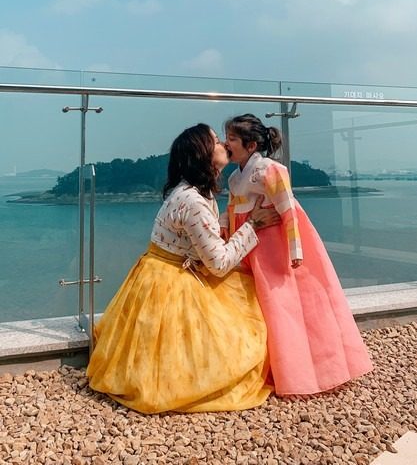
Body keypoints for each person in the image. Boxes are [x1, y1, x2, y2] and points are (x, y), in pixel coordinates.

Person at [87, 123, 278, 414]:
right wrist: (254, 224)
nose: (223, 144)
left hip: (160, 273)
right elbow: (219, 264)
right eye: (215, 141)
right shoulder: (193, 201)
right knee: (245, 329)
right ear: (203, 155)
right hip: (171, 281)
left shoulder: (195, 192)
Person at [221, 113, 373, 396]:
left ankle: (299, 371)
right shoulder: (234, 177)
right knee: (259, 306)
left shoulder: (270, 170)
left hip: (270, 246)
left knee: (281, 306)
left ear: (251, 145)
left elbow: (288, 210)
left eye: (231, 139)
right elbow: (231, 211)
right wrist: (222, 234)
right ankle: (266, 368)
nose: (225, 143)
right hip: (248, 243)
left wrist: (296, 250)